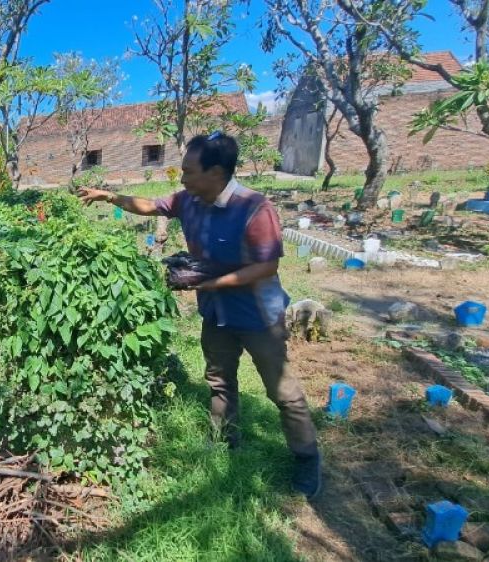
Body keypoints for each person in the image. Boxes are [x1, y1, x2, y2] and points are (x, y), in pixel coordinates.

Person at [77, 132, 322, 499]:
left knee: (282, 392)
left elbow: (266, 266)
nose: (182, 178)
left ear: (217, 172)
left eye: (189, 171)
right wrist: (109, 196)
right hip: (217, 312)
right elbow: (151, 205)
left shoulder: (254, 208)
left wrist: (214, 282)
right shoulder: (189, 199)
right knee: (220, 380)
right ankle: (226, 439)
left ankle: (307, 458)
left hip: (258, 315)